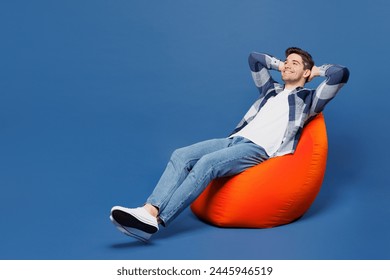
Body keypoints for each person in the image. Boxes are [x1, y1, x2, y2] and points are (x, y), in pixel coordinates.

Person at [110, 47, 350, 242]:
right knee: (181, 155)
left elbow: (340, 74)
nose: (287, 64)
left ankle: (157, 221)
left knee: (207, 164)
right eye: (286, 61)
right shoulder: (270, 91)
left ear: (307, 73)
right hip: (233, 141)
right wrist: (281, 65)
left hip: (258, 150)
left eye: (294, 63)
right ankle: (149, 210)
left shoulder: (308, 100)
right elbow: (255, 59)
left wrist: (316, 71)